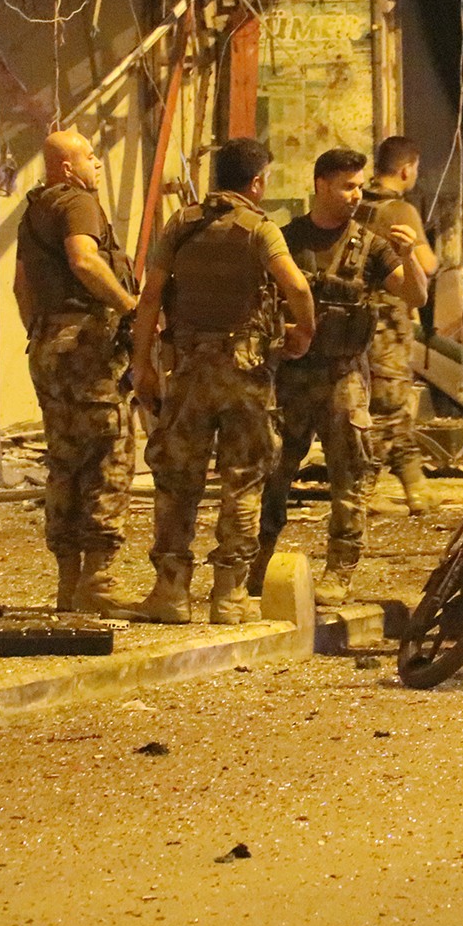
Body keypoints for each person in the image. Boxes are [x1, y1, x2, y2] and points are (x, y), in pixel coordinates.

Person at [129, 139, 317, 626]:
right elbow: (295, 286)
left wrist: (142, 364)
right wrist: (304, 331)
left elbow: (149, 298)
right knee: (244, 481)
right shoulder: (260, 230)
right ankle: (229, 597)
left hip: (188, 370)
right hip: (245, 372)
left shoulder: (182, 225)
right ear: (256, 182)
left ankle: (170, 592)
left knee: (176, 481)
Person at [258, 148, 429, 607]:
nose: (356, 195)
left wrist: (409, 255)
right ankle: (257, 563)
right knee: (271, 473)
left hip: (344, 377)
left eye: (359, 185)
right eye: (346, 186)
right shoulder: (286, 239)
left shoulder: (372, 246)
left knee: (349, 478)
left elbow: (414, 295)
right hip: (291, 376)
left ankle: (340, 571)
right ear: (319, 185)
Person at [14, 129, 140, 616]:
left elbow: (21, 286)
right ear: (67, 166)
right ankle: (99, 580)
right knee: (110, 454)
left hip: (48, 344)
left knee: (64, 459)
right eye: (91, 156)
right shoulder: (78, 203)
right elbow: (85, 260)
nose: (98, 165)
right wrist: (129, 306)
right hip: (88, 344)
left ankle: (67, 585)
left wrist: (44, 332)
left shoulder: (33, 212)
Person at [358, 136, 439, 516]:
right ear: (407, 169)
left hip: (356, 320)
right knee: (387, 409)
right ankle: (363, 489)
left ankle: (415, 486)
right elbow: (425, 265)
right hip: (388, 324)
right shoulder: (399, 211)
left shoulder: (355, 203)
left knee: (388, 408)